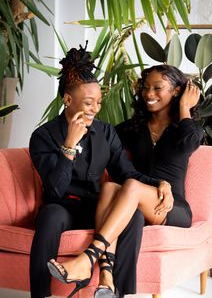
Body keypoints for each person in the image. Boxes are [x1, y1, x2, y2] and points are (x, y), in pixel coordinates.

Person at [47, 64, 203, 297]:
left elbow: (191, 143)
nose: (149, 94)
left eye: (158, 88)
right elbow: (99, 138)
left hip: (171, 205)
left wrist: (184, 107)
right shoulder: (135, 128)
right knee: (110, 187)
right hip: (134, 200)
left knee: (128, 186)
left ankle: (88, 258)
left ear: (177, 91)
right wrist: (67, 145)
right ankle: (107, 280)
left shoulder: (185, 129)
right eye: (146, 87)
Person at [29, 45, 171, 298]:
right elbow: (55, 189)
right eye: (88, 102)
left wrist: (160, 183)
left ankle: (115, 291)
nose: (95, 108)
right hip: (63, 207)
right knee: (50, 215)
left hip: (96, 206)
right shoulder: (43, 136)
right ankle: (41, 293)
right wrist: (69, 146)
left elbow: (126, 173)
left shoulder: (105, 132)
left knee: (134, 216)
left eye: (98, 102)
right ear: (68, 100)